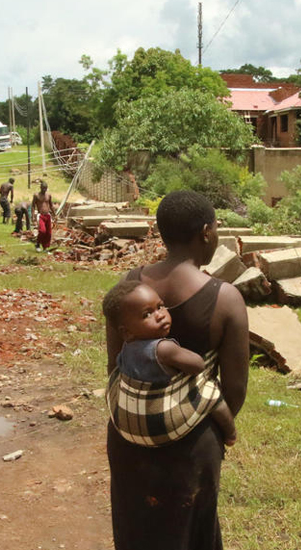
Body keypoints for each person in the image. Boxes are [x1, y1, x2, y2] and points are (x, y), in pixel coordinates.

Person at [105, 190, 249, 550]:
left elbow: (115, 367)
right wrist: (213, 428)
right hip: (193, 446)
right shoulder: (225, 297)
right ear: (205, 232)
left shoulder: (129, 286)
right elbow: (235, 388)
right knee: (192, 535)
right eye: (217, 228)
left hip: (129, 438)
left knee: (137, 532)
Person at [103, 280, 237, 447]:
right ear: (127, 332)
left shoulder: (127, 347)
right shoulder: (164, 349)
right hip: (159, 422)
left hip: (130, 424)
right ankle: (230, 435)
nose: (160, 315)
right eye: (147, 314)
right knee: (213, 398)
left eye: (160, 306)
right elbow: (198, 366)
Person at [32, 181, 54, 252]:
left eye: (45, 188)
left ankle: (45, 247)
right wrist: (33, 216)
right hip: (40, 215)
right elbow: (33, 205)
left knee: (49, 233)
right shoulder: (36, 195)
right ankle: (37, 244)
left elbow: (51, 205)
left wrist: (55, 214)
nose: (44, 190)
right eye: (43, 188)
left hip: (48, 215)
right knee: (42, 231)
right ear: (40, 187)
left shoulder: (49, 195)